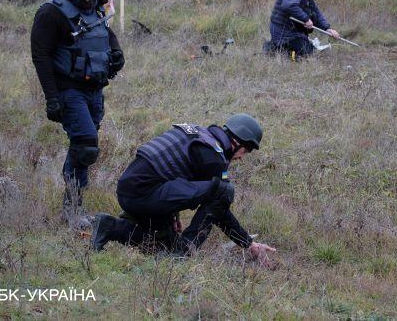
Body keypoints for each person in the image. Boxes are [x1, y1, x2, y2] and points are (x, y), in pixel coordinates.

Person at [90, 113, 276, 267]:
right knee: (224, 190)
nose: (242, 157)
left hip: (130, 192)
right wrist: (248, 243)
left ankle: (109, 227)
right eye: (247, 150)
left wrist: (172, 215)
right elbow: (219, 211)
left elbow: (171, 173)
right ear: (237, 141)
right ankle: (184, 252)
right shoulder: (213, 157)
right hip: (144, 196)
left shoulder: (197, 134)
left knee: (163, 242)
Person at [31, 0, 125, 229]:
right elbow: (41, 56)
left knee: (86, 148)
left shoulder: (95, 5)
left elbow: (104, 31)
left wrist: (117, 52)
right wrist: (51, 98)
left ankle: (71, 206)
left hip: (95, 90)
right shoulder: (51, 13)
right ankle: (72, 210)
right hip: (68, 89)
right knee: (85, 145)